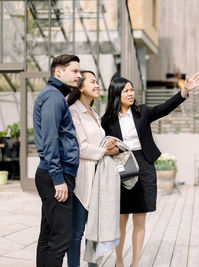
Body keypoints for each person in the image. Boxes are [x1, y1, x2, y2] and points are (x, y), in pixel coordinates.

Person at [101, 73, 199, 267]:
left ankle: (135, 262)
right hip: (121, 167)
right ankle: (119, 261)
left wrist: (185, 91)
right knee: (121, 220)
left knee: (140, 218)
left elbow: (165, 108)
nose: (131, 94)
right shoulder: (106, 121)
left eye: (132, 90)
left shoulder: (143, 112)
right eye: (126, 91)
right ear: (116, 94)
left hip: (145, 165)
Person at [33, 54, 82, 267]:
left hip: (54, 173)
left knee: (49, 235)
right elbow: (50, 138)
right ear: (58, 72)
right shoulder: (53, 97)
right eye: (75, 71)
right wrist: (58, 177)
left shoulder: (54, 95)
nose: (79, 76)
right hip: (56, 174)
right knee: (62, 237)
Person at [66, 70, 119, 267]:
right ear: (80, 87)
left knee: (95, 231)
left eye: (97, 82)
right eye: (93, 82)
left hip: (99, 179)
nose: (97, 85)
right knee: (77, 233)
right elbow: (80, 148)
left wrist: (109, 144)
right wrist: (106, 152)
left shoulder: (94, 113)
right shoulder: (73, 112)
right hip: (83, 180)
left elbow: (96, 143)